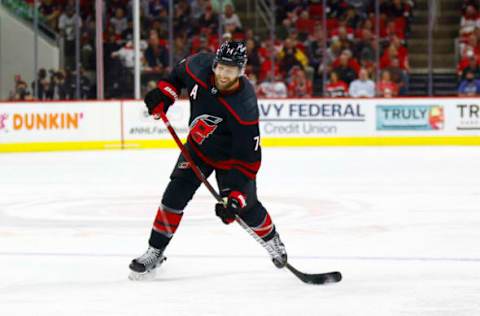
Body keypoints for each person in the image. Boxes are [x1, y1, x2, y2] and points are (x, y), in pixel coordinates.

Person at [129, 41, 288, 279]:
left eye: (231, 70)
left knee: (247, 208)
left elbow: (249, 159)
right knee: (173, 197)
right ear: (214, 64)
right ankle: (155, 251)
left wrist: (236, 196)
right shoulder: (198, 65)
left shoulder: (244, 105)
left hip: (230, 160)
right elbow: (175, 77)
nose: (224, 75)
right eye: (221, 67)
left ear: (241, 71)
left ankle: (272, 240)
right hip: (197, 149)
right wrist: (164, 95)